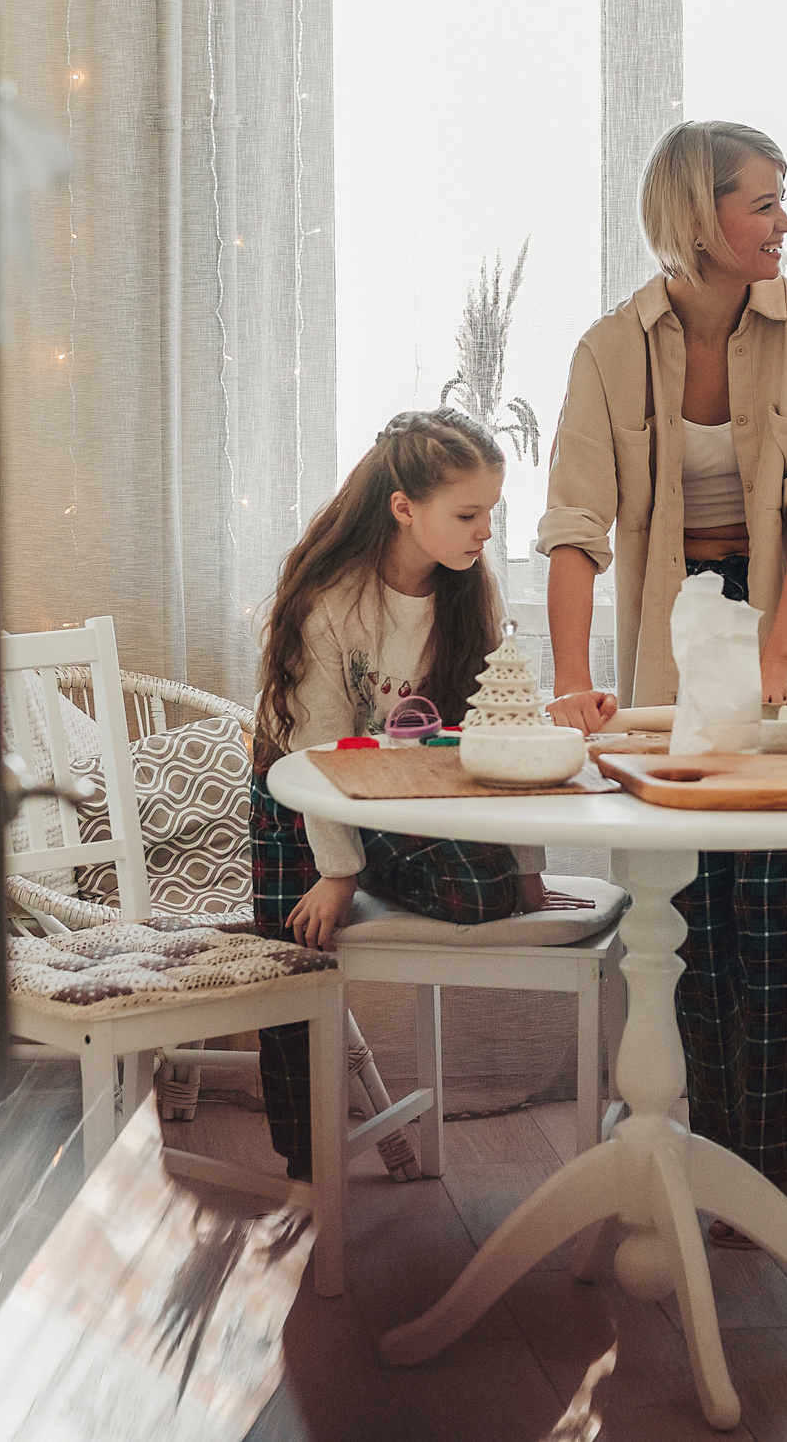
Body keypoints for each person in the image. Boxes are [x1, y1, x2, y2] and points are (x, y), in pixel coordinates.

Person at [538, 121, 787, 1242]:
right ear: (697, 217)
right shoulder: (607, 348)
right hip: (669, 650)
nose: (783, 223)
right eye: (761, 204)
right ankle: (688, 1149)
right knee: (682, 906)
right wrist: (578, 685)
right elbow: (573, 529)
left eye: (782, 202)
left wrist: (781, 647)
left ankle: (765, 1176)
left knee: (771, 905)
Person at [249, 407, 592, 1180]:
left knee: (483, 893)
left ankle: (384, 868)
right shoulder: (328, 604)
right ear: (404, 508)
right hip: (300, 796)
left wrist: (529, 874)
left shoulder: (470, 596)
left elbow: (503, 742)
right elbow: (314, 758)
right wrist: (336, 873)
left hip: (406, 791)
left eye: (490, 515)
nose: (484, 534)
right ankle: (309, 1170)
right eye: (468, 515)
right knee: (291, 965)